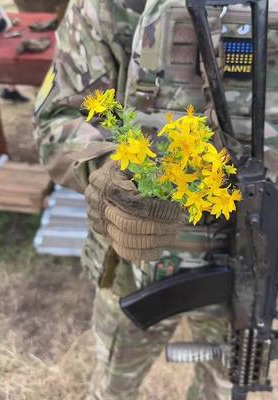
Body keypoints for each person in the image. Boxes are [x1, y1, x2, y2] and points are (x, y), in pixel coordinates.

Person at [34, 1, 278, 399]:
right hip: (137, 260)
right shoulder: (113, 7)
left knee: (223, 387)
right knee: (114, 383)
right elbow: (56, 121)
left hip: (256, 264)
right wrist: (110, 175)